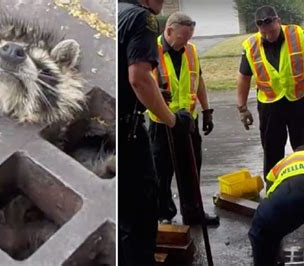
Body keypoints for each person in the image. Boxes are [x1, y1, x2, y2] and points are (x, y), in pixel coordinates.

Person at [118, 0, 194, 265]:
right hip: (128, 132)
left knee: (121, 214)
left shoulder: (113, 11)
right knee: (140, 210)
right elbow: (138, 78)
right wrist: (173, 120)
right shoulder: (142, 18)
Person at [236, 5, 304, 187]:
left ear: (279, 21)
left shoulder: (298, 35)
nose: (268, 36)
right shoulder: (251, 45)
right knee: (272, 152)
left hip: (299, 102)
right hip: (270, 107)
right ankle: (274, 190)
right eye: (264, 33)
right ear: (258, 29)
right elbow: (243, 78)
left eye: (272, 31)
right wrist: (242, 108)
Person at [147, 12, 218, 226]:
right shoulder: (151, 51)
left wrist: (206, 110)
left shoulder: (191, 51)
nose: (186, 42)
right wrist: (156, 92)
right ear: (169, 31)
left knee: (191, 169)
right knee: (162, 173)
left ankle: (193, 213)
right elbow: (139, 82)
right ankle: (164, 215)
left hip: (188, 121)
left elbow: (199, 80)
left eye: (189, 37)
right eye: (182, 37)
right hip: (163, 122)